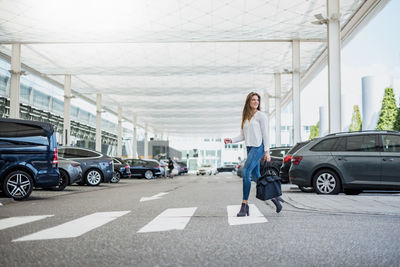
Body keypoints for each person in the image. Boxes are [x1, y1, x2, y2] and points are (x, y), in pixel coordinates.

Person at [224, 92, 284, 216]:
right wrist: (232, 140)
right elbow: (242, 135)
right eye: (253, 100)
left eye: (257, 100)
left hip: (258, 147)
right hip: (250, 148)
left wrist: (267, 151)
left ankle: (244, 205)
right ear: (248, 102)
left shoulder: (261, 116)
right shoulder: (246, 117)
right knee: (257, 177)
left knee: (246, 172)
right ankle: (275, 199)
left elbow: (266, 135)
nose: (256, 102)